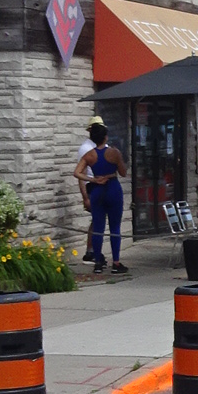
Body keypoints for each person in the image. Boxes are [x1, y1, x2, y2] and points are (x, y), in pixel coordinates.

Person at [74, 122, 129, 275]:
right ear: (105, 137)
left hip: (97, 189)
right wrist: (114, 169)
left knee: (98, 227)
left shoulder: (89, 155)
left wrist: (93, 180)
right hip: (112, 188)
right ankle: (116, 262)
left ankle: (98, 262)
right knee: (115, 227)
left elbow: (77, 173)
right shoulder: (114, 152)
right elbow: (123, 172)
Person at [77, 116, 104, 265]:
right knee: (97, 219)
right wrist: (85, 197)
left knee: (97, 219)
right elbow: (81, 175)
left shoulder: (98, 147)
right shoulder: (86, 149)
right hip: (92, 185)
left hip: (100, 185)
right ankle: (91, 250)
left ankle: (92, 250)